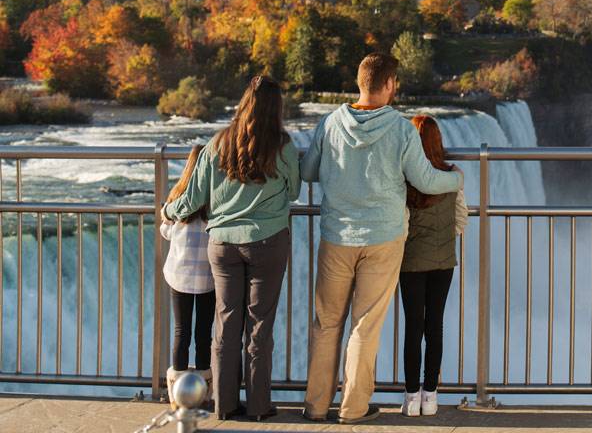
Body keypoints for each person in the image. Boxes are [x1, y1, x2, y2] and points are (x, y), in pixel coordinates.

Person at [301, 53, 463, 425]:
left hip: (336, 236)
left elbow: (309, 171)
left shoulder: (329, 123)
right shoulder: (402, 129)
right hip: (384, 238)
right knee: (364, 325)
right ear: (389, 85)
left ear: (359, 82)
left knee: (326, 324)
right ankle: (353, 408)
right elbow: (425, 180)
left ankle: (315, 406)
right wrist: (456, 180)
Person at [163, 75, 301, 422]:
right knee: (259, 325)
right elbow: (295, 191)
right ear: (276, 109)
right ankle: (258, 406)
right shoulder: (282, 146)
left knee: (226, 323)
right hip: (267, 243)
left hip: (222, 244)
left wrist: (169, 211)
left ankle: (224, 405)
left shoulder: (217, 144)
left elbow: (193, 197)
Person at [398, 116, 468, 417]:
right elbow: (461, 219)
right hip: (443, 262)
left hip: (411, 261)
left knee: (413, 327)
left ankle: (411, 398)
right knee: (434, 325)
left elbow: (399, 222)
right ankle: (431, 395)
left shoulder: (404, 178)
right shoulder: (453, 175)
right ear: (439, 142)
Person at [161, 144, 214, 408]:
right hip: (208, 277)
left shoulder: (177, 195)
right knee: (203, 332)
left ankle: (177, 393)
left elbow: (166, 231)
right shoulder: (214, 197)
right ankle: (204, 391)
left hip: (179, 274)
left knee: (181, 331)